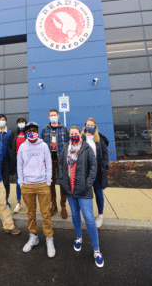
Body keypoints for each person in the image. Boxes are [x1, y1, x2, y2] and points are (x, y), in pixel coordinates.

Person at [58, 126, 104, 267]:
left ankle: (96, 250)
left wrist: (88, 183)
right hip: (70, 191)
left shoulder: (86, 148)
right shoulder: (65, 148)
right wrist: (62, 182)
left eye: (76, 133)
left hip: (84, 191)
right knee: (76, 216)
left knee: (89, 219)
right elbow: (60, 166)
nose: (73, 135)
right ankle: (79, 238)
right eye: (71, 134)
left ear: (80, 134)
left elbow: (93, 166)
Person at [17, 122, 55, 258]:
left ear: (37, 131)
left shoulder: (43, 146)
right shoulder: (22, 147)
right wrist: (21, 183)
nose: (32, 132)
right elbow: (19, 165)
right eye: (29, 130)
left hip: (42, 184)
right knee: (30, 213)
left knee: (46, 213)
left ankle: (49, 238)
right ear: (26, 132)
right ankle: (33, 236)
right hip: (27, 185)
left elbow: (49, 163)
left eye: (34, 130)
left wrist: (48, 181)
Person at [40, 109, 69, 219]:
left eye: (54, 115)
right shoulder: (44, 130)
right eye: (51, 115)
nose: (53, 117)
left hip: (61, 161)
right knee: (50, 184)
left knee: (62, 183)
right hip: (49, 162)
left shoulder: (64, 129)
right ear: (48, 117)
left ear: (58, 116)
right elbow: (41, 146)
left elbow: (67, 145)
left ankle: (63, 206)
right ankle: (54, 206)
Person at [81, 117, 109, 228]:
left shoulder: (99, 138)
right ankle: (87, 214)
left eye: (92, 125)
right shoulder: (81, 138)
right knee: (86, 193)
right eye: (88, 125)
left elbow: (105, 154)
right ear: (85, 126)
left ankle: (100, 215)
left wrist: (105, 165)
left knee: (98, 193)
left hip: (97, 171)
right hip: (85, 171)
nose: (90, 127)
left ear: (95, 127)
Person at [8, 117, 27, 213]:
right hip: (17, 161)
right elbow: (10, 146)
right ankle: (18, 202)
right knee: (19, 182)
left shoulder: (28, 132)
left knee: (28, 182)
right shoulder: (14, 133)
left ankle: (28, 202)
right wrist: (13, 155)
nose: (21, 123)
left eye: (22, 122)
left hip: (28, 162)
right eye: (19, 122)